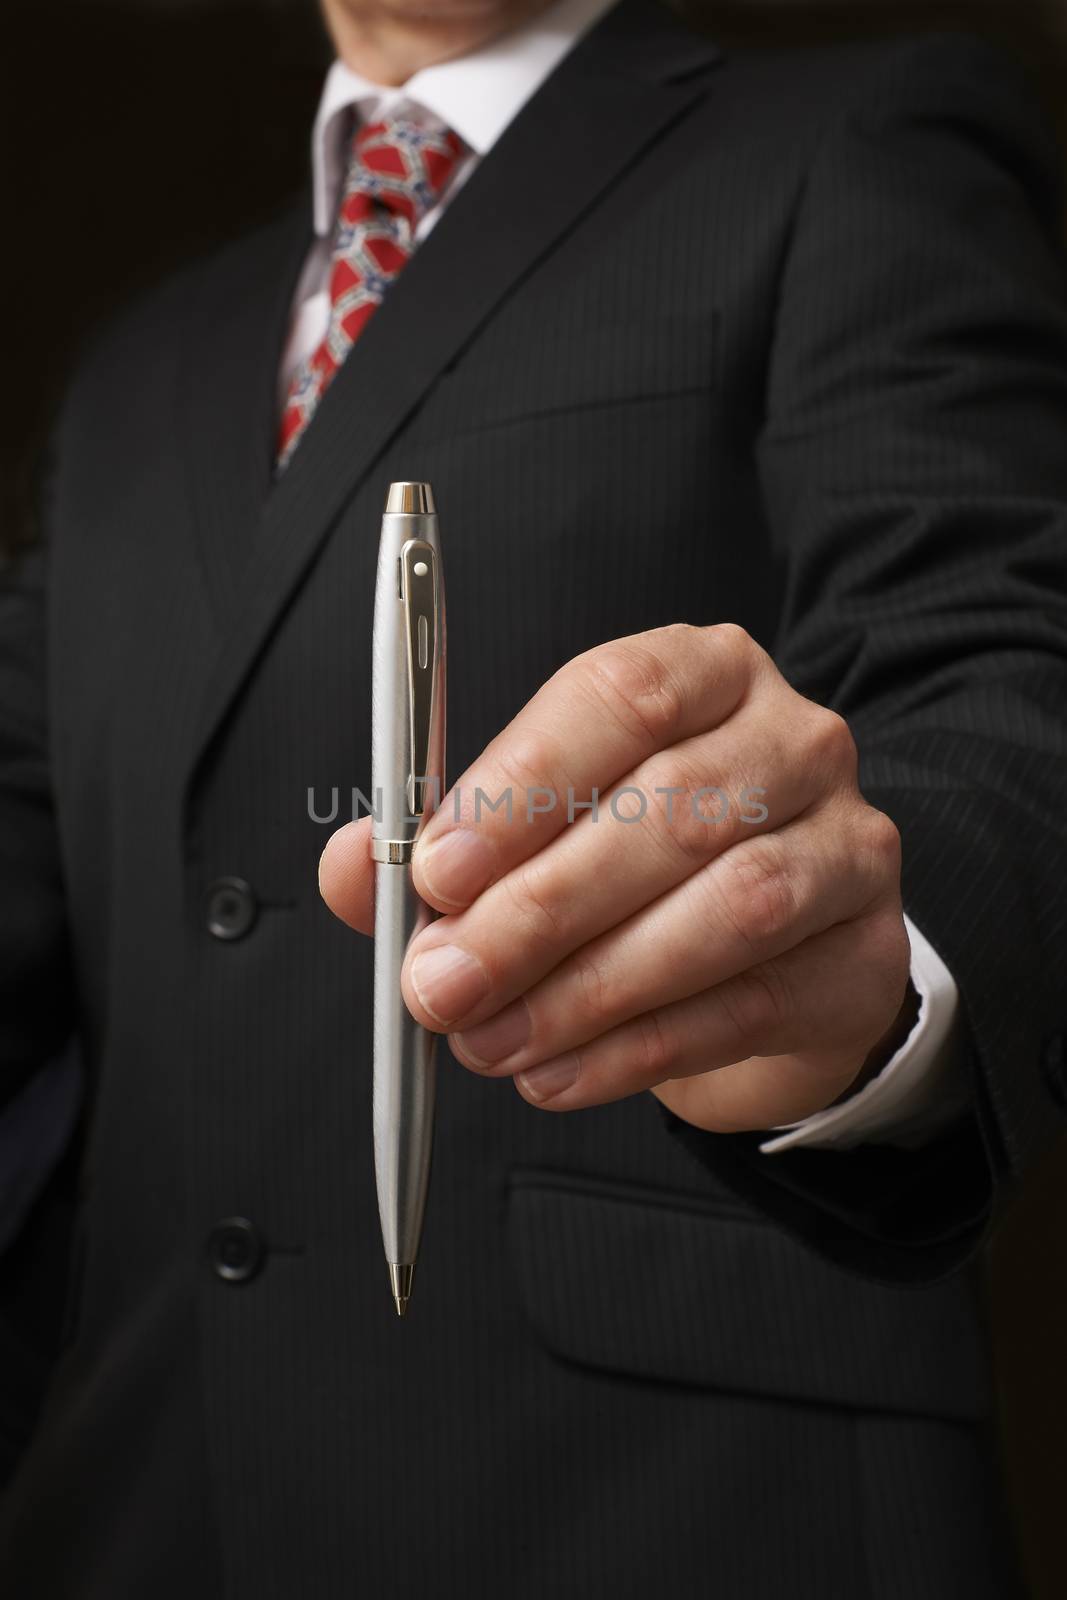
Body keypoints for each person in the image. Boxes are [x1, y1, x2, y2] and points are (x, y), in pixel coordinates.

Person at [1, 0, 1065, 1592]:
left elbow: (1009, 674)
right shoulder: (135, 371)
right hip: (143, 1510)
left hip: (676, 1513)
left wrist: (868, 968)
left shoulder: (856, 142)